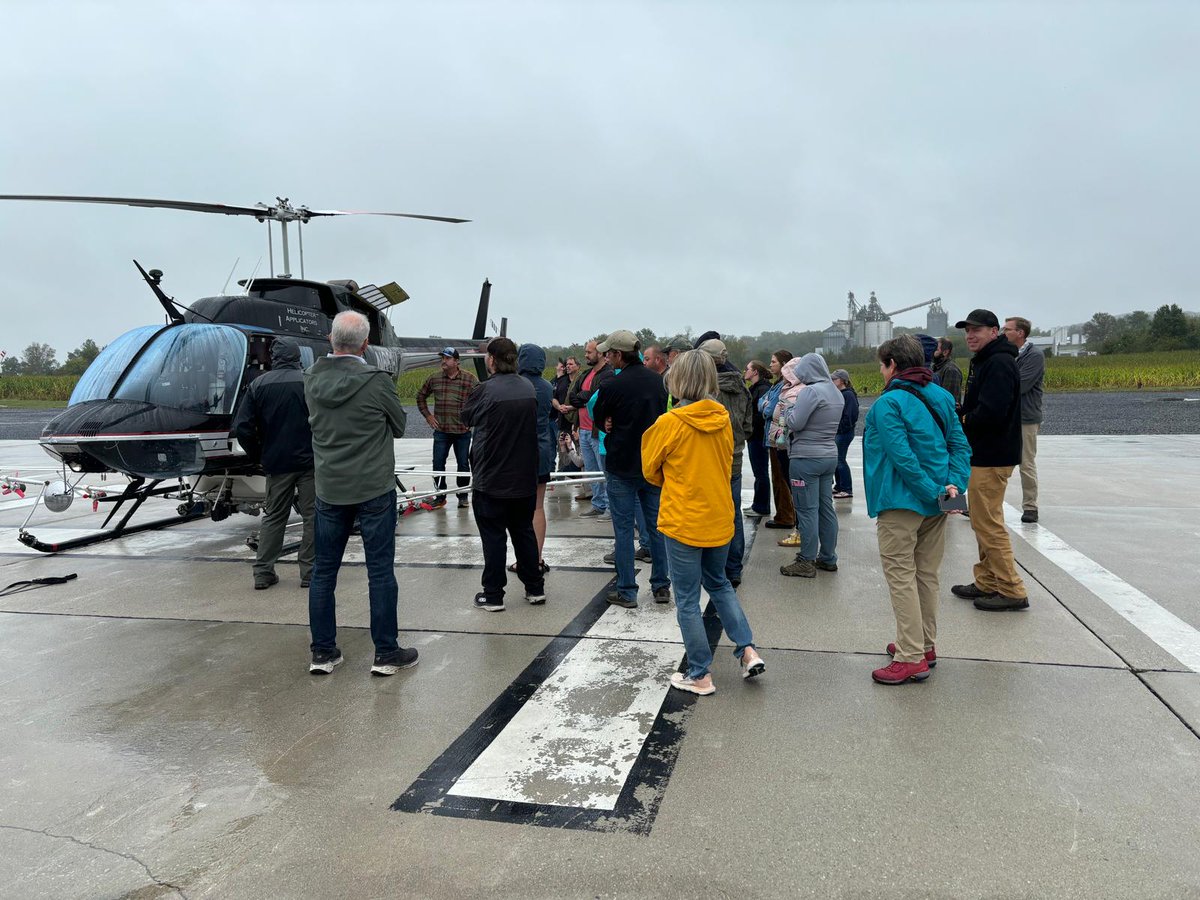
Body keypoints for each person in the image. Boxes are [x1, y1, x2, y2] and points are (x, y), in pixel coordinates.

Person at [642, 350, 766, 696]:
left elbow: (650, 470)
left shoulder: (669, 423)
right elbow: (726, 463)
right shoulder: (722, 418)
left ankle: (699, 674)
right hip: (718, 515)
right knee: (720, 584)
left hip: (683, 519)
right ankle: (747, 649)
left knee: (686, 600)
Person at [303, 311, 416, 676]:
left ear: (330, 339)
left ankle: (323, 652)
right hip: (373, 487)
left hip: (330, 487)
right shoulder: (376, 381)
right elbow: (399, 425)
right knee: (380, 571)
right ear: (366, 344)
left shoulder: (311, 378)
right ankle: (386, 652)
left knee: (323, 572)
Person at [863, 336, 971, 685]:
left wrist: (933, 491)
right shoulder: (941, 396)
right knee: (926, 574)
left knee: (901, 576)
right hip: (937, 504)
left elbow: (902, 458)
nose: (881, 372)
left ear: (892, 364)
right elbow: (960, 445)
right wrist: (953, 487)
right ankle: (923, 644)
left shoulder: (888, 403)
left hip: (900, 501)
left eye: (882, 365)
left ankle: (910, 656)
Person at [951, 308, 1028, 611]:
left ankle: (1011, 588)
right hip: (985, 453)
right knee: (982, 522)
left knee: (988, 524)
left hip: (992, 454)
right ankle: (987, 580)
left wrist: (963, 419)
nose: (970, 335)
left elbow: (992, 412)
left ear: (994, 332)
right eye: (967, 331)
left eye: (977, 330)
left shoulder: (998, 363)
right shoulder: (986, 360)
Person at [462, 337, 545, 611]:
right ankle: (535, 587)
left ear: (492, 360)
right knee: (524, 533)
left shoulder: (485, 389)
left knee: (494, 538)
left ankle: (493, 594)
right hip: (524, 476)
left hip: (492, 478)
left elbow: (466, 417)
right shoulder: (528, 387)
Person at [591, 329, 671, 608]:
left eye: (609, 353)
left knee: (624, 531)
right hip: (652, 465)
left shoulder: (612, 385)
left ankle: (627, 590)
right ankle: (661, 586)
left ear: (618, 354)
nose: (607, 358)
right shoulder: (659, 382)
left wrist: (607, 423)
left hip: (622, 464)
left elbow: (599, 418)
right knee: (657, 528)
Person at [231, 338, 315, 591]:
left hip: (276, 463)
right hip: (310, 462)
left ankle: (263, 572)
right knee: (313, 517)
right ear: (297, 356)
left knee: (274, 517)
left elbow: (242, 427)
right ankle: (310, 572)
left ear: (274, 357)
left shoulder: (259, 384)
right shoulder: (310, 381)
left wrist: (258, 454)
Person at [780, 353, 844, 578]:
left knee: (806, 510)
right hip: (828, 455)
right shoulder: (835, 392)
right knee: (826, 508)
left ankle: (806, 560)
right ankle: (828, 557)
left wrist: (788, 410)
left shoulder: (811, 392)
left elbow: (796, 423)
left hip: (805, 458)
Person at [699, 339, 753, 587]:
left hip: (711, 457)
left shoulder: (705, 389)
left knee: (709, 512)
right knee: (734, 512)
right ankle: (734, 568)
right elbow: (749, 425)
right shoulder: (742, 387)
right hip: (735, 456)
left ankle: (713, 568)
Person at [415, 347, 478, 509]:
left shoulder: (469, 379)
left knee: (463, 465)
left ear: (456, 361)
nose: (444, 361)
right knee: (438, 464)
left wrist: (471, 420)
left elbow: (481, 400)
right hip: (441, 431)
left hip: (462, 432)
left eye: (448, 358)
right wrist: (428, 416)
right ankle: (440, 496)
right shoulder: (434, 378)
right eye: (443, 358)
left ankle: (462, 496)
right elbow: (420, 396)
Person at [516, 343, 555, 573]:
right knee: (538, 508)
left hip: (519, 453)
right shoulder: (547, 386)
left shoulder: (517, 385)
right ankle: (537, 559)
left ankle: (523, 560)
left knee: (518, 512)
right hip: (542, 451)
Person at [1003, 317, 1045, 523]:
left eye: (1007, 329)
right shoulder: (1007, 354)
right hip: (1007, 417)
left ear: (1020, 333)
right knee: (1000, 463)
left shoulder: (1034, 355)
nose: (1003, 333)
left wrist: (998, 385)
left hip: (1025, 418)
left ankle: (1030, 507)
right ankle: (988, 504)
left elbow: (1022, 384)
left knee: (1026, 463)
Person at [568, 339, 615, 518]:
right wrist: (584, 398)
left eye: (589, 352)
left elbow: (597, 397)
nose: (586, 355)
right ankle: (598, 504)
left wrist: (584, 397)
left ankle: (610, 508)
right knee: (591, 471)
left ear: (600, 353)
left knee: (604, 471)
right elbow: (573, 397)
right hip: (584, 429)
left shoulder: (608, 374)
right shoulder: (586, 374)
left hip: (598, 430)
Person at [760, 350, 798, 536]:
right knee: (778, 477)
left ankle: (785, 516)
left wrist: (765, 405)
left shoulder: (785, 386)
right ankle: (785, 514)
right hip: (775, 436)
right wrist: (765, 404)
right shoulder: (776, 385)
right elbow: (762, 402)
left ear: (784, 364)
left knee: (780, 479)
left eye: (774, 361)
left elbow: (769, 410)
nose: (770, 365)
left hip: (779, 439)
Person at [743, 360, 772, 517]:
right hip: (755, 435)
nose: (745, 371)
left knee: (760, 471)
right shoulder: (756, 388)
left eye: (747, 369)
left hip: (758, 436)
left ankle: (761, 506)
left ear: (755, 372)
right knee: (758, 471)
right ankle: (758, 504)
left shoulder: (762, 389)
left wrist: (748, 422)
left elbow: (761, 414)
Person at [830, 368, 860, 500]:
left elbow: (851, 415)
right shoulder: (840, 393)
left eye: (834, 379)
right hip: (839, 431)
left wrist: (840, 428)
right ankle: (839, 485)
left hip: (844, 433)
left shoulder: (848, 394)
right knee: (836, 460)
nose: (832, 381)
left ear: (842, 381)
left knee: (840, 460)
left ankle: (847, 488)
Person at [932, 337, 963, 409]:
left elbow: (949, 402)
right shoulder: (936, 367)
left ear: (945, 352)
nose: (933, 352)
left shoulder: (951, 370)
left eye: (936, 349)